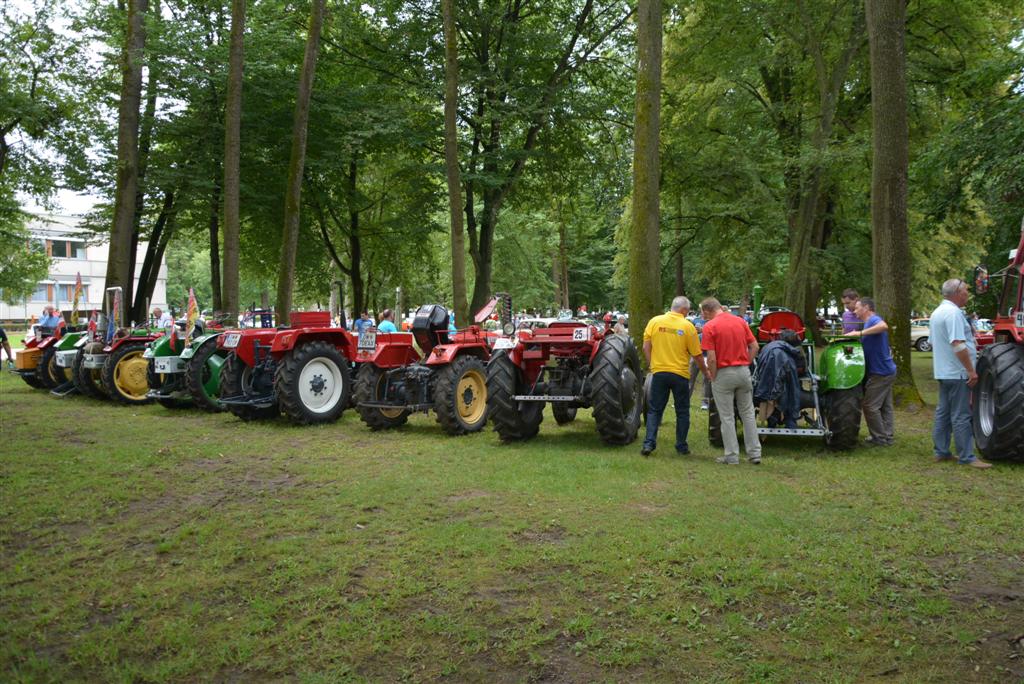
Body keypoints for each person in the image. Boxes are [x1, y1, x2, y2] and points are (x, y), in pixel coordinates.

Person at [929, 278, 992, 468]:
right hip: (957, 373)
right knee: (961, 415)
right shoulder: (954, 313)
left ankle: (941, 451)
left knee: (943, 412)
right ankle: (967, 456)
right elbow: (958, 344)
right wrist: (971, 370)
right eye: (965, 291)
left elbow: (933, 342)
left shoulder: (937, 312)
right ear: (956, 293)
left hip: (943, 371)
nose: (967, 294)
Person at [640, 296, 707, 457]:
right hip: (680, 375)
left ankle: (649, 443)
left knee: (655, 410)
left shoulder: (655, 321)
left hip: (659, 373)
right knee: (682, 411)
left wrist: (652, 365)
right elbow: (697, 355)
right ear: (684, 310)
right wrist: (705, 372)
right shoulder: (688, 326)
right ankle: (681, 446)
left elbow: (645, 346)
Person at [700, 297, 762, 465]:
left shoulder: (710, 327)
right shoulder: (741, 322)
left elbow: (711, 358)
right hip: (743, 371)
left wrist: (712, 375)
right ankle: (755, 453)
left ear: (707, 311)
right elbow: (755, 346)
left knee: (727, 416)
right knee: (748, 413)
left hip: (723, 372)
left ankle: (732, 455)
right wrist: (746, 363)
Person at [846, 297, 897, 447]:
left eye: (857, 308)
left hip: (881, 372)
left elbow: (884, 326)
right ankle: (887, 436)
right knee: (885, 406)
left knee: (869, 406)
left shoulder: (874, 320)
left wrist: (859, 334)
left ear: (866, 308)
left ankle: (879, 438)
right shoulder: (868, 323)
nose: (854, 311)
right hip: (884, 370)